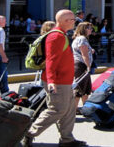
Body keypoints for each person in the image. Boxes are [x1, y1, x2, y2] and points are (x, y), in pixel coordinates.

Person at [23, 9, 87, 147]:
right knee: (57, 110)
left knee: (69, 110)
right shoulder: (56, 37)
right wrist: (51, 81)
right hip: (58, 82)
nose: (74, 21)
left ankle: (67, 139)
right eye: (72, 19)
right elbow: (51, 60)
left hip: (65, 81)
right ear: (64, 21)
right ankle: (29, 133)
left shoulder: (62, 35)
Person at [72, 22, 93, 111]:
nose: (91, 30)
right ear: (84, 29)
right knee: (80, 88)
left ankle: (85, 107)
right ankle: (74, 109)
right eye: (89, 28)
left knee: (86, 88)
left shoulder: (80, 39)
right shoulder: (82, 39)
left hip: (80, 64)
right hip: (81, 65)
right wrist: (88, 66)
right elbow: (84, 54)